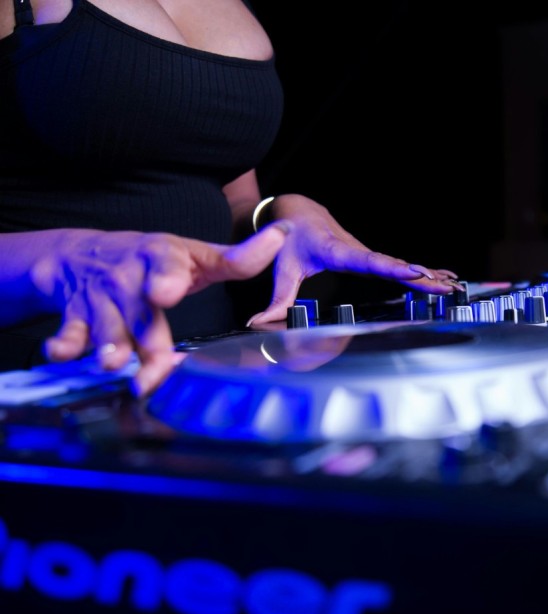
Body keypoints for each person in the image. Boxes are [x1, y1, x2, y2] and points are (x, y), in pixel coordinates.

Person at [0, 0, 463, 396]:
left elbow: (236, 203)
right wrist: (65, 258)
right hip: (46, 380)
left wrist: (279, 217)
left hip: (210, 375)